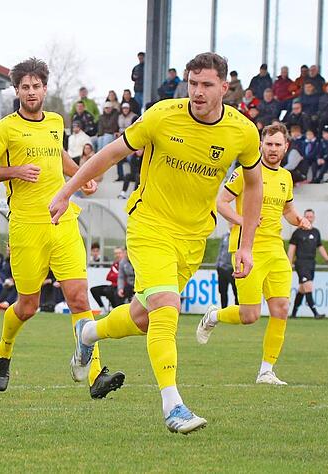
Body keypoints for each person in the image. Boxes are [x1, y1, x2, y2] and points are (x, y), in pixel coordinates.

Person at [50, 52, 263, 434]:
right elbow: (111, 153)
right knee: (166, 306)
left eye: (207, 84)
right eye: (192, 83)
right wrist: (67, 191)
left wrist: (245, 245)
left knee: (143, 317)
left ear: (224, 87)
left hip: (193, 237)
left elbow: (254, 184)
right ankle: (172, 405)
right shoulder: (163, 116)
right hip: (149, 225)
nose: (197, 92)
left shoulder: (243, 132)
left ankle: (89, 333)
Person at [0, 57, 124, 400]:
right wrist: (15, 171)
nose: (31, 92)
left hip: (63, 221)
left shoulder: (56, 121)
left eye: (36, 86)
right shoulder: (5, 128)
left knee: (78, 297)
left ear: (45, 88)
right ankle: (4, 351)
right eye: (24, 87)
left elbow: (58, 156)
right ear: (16, 91)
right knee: (27, 306)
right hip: (27, 227)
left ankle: (95, 374)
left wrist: (81, 177)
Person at [198, 122, 311, 385]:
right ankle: (214, 315)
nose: (272, 149)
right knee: (249, 316)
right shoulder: (245, 173)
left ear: (286, 147)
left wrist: (299, 220)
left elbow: (287, 210)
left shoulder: (286, 177)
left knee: (281, 309)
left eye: (277, 144)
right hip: (247, 249)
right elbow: (220, 202)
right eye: (268, 144)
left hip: (275, 250)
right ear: (260, 145)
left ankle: (266, 371)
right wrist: (242, 220)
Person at [288, 209, 328, 319]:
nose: (309, 219)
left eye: (311, 217)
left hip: (311, 263)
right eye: (307, 217)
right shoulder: (297, 232)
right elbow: (291, 249)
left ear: (313, 218)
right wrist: (288, 263)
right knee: (308, 286)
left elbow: (320, 247)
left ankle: (294, 314)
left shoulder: (316, 232)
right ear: (304, 218)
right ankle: (315, 313)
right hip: (301, 263)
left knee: (302, 289)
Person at [215, 232, 237, 308]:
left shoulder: (238, 235)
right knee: (222, 291)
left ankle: (237, 310)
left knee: (236, 292)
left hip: (232, 268)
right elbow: (220, 250)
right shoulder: (225, 236)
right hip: (222, 268)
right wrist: (218, 264)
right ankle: (223, 309)